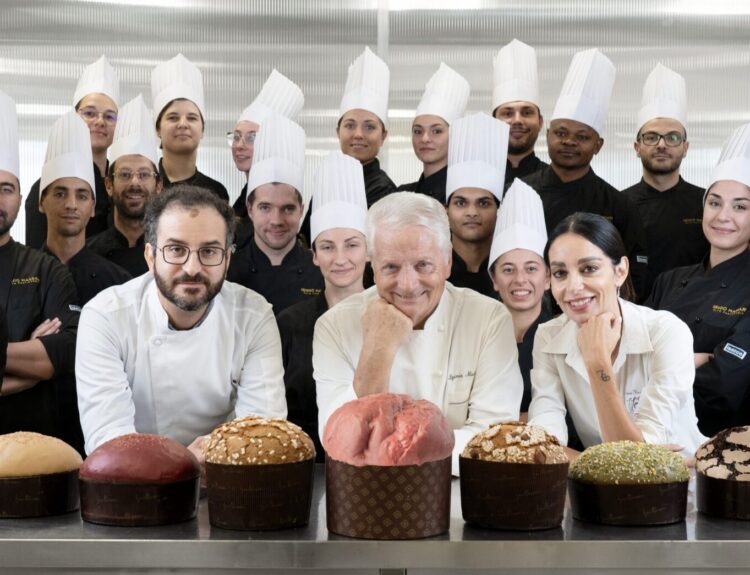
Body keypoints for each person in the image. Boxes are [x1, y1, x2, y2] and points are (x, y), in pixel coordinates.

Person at [76, 185, 287, 468]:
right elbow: (109, 443)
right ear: (150, 257)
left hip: (226, 490)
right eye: (176, 249)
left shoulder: (253, 316)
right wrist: (185, 461)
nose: (191, 268)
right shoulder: (106, 317)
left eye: (209, 251)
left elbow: (263, 434)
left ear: (227, 260)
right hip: (133, 494)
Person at [314, 192, 524, 472]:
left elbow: (492, 439)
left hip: (461, 492)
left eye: (423, 265)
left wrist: (385, 448)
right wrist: (378, 348)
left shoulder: (488, 319)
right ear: (372, 267)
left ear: (448, 261)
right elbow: (338, 440)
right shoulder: (334, 326)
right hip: (365, 491)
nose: (408, 284)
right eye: (391, 267)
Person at [528, 212, 705, 459]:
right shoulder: (549, 336)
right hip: (601, 488)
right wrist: (606, 463)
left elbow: (637, 456)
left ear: (620, 271)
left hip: (684, 489)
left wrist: (598, 362)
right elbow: (542, 444)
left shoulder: (666, 332)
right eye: (560, 273)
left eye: (589, 268)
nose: (573, 287)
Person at [646, 123, 750, 437]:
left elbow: (723, 389)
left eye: (740, 207)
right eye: (715, 202)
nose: (723, 216)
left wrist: (661, 368)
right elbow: (631, 357)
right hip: (651, 436)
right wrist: (694, 360)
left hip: (723, 451)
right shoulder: (668, 280)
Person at [522, 48, 649, 301]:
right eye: (560, 133)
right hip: (531, 310)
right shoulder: (521, 192)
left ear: (598, 145)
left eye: (582, 137)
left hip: (593, 309)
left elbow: (635, 271)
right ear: (547, 136)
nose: (569, 142)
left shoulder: (618, 203)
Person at [0, 91, 80, 450]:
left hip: (35, 449)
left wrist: (43, 360)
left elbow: (59, 356)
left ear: (21, 198)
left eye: (6, 189)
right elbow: (39, 364)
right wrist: (26, 364)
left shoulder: (47, 270)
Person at [276, 151, 368, 461]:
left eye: (352, 245)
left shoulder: (391, 318)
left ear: (369, 251)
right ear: (314, 255)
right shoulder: (289, 323)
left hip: (380, 466)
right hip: (305, 466)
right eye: (327, 247)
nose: (340, 258)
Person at [226, 112, 323, 314]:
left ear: (302, 210)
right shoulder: (228, 271)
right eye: (265, 207)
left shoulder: (321, 271)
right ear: (250, 209)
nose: (276, 220)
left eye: (288, 208)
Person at [623, 64, 708, 291]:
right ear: (637, 147)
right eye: (651, 137)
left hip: (695, 314)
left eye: (672, 137)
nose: (662, 144)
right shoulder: (619, 204)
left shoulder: (707, 204)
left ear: (685, 147)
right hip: (632, 316)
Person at [25, 55, 119, 248]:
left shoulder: (122, 184)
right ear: (74, 116)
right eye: (90, 113)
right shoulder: (47, 187)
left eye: (109, 116)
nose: (100, 121)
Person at [40, 111, 130, 306]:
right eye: (60, 193)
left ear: (92, 207)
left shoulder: (119, 284)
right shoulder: (21, 275)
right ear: (41, 202)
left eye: (81, 196)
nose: (71, 204)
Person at [488, 178, 551, 416]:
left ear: (547, 279)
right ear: (494, 279)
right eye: (508, 269)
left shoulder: (562, 337)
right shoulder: (479, 334)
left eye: (531, 268)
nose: (520, 279)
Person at [88, 95, 163, 277]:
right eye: (124, 174)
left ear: (159, 186)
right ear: (108, 185)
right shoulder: (88, 255)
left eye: (144, 174)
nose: (135, 183)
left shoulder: (170, 255)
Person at [228, 69, 304, 223]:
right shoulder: (244, 197)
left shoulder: (275, 197)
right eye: (236, 136)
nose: (240, 145)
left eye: (252, 138)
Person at [444, 113, 508, 297]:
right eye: (461, 203)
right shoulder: (432, 271)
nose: (472, 212)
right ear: (446, 211)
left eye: (484, 203)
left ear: (498, 211)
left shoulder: (511, 275)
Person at [151, 53, 228, 202]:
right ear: (158, 129)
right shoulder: (145, 188)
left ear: (202, 130)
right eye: (173, 117)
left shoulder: (215, 192)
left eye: (192, 118)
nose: (183, 124)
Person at [397, 63, 470, 203]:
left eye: (436, 131)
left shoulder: (461, 197)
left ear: (455, 135)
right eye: (418, 131)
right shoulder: (401, 195)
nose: (425, 138)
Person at [492, 39, 548, 184]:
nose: (517, 120)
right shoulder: (476, 180)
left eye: (527, 112)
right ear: (492, 123)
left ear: (540, 122)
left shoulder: (555, 182)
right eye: (508, 113)